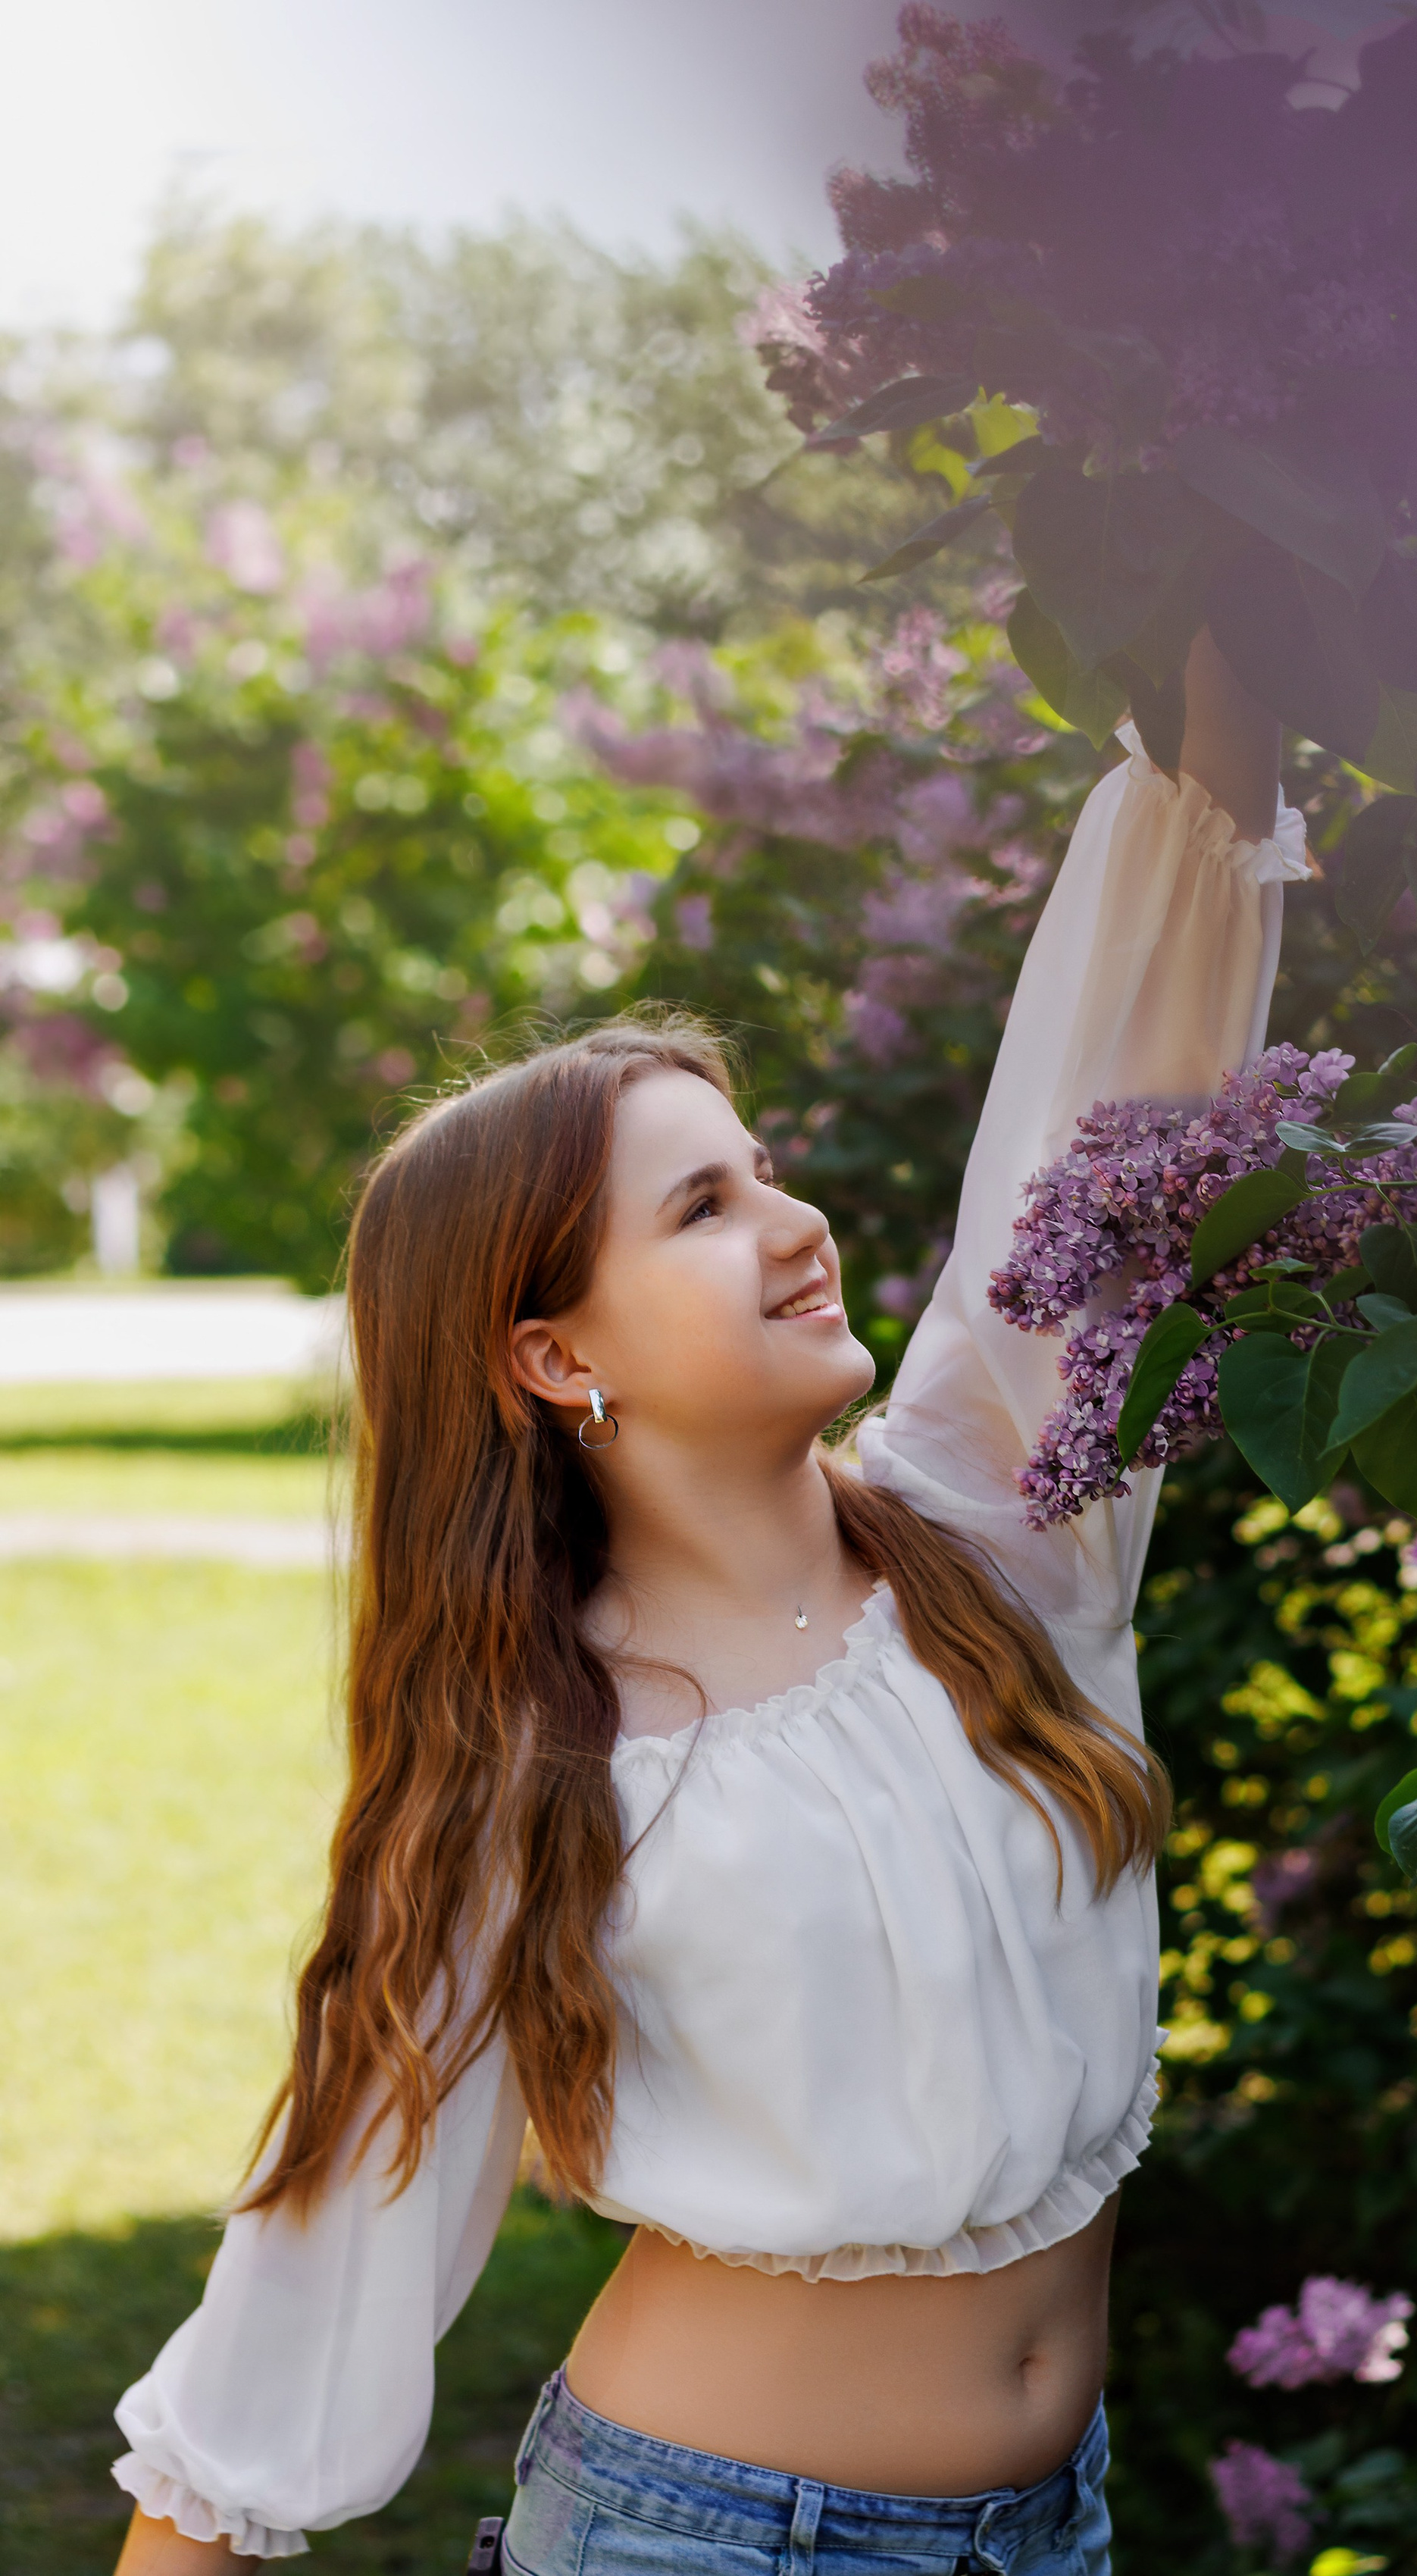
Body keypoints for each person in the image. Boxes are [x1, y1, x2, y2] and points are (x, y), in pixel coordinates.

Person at [111, 631, 1302, 2574]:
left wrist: (1218, 669)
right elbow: (329, 2243)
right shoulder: (533, 1752)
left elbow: (1117, 1117)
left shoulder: (1001, 1529)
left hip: (1052, 2525)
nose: (795, 1221)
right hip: (709, 2536)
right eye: (699, 1208)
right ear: (549, 1355)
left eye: (762, 1173)